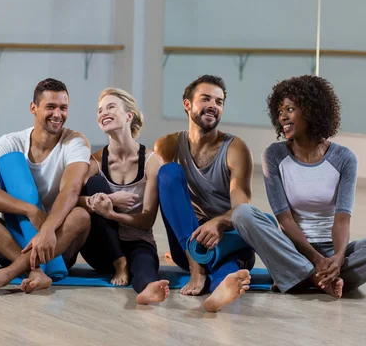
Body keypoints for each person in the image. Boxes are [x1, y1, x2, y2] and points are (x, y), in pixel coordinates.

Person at [232, 75, 366, 299]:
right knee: (243, 213)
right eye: (279, 111)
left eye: (290, 109)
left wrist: (338, 257)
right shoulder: (274, 155)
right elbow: (284, 220)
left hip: (332, 253)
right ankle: (316, 278)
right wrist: (315, 259)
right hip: (292, 250)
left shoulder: (345, 158)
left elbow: (342, 219)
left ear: (311, 110)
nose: (282, 116)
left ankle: (304, 277)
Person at [0, 78, 91, 297]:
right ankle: (35, 271)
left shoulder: (75, 142)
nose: (58, 114)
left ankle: (7, 275)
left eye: (63, 108)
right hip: (12, 243)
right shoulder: (10, 141)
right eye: (50, 107)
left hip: (55, 246)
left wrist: (47, 229)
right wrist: (30, 210)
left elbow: (72, 190)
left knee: (81, 216)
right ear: (33, 108)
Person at [155, 75, 253, 312]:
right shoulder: (167, 145)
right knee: (167, 172)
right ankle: (196, 268)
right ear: (187, 104)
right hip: (189, 243)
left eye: (219, 102)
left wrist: (218, 224)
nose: (213, 105)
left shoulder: (235, 148)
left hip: (227, 240)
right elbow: (168, 195)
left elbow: (242, 208)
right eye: (206, 98)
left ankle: (222, 288)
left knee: (227, 262)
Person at [79, 88, 169, 305]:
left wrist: (111, 213)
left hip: (138, 241)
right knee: (95, 184)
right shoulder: (95, 161)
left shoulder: (151, 161)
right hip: (103, 249)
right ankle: (120, 264)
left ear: (129, 115)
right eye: (100, 110)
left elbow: (147, 219)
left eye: (110, 107)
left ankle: (149, 289)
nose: (103, 113)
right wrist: (106, 200)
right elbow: (73, 198)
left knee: (145, 267)